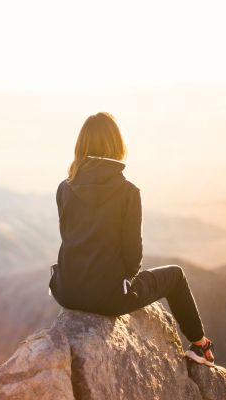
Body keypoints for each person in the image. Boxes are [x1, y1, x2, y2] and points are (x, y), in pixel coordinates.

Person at [48, 111, 215, 366]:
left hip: (65, 290)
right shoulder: (128, 192)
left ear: (81, 146)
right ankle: (200, 345)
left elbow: (68, 237)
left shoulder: (64, 187)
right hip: (109, 298)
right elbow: (133, 259)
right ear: (117, 145)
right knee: (176, 276)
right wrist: (120, 282)